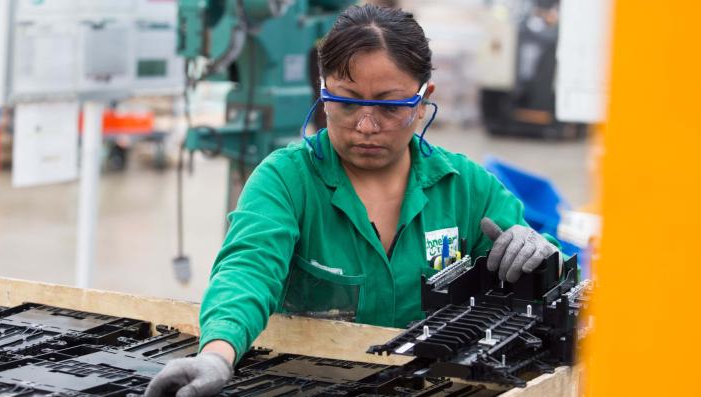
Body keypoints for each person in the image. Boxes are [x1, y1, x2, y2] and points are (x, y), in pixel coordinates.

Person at [145, 4, 559, 396]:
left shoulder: (466, 187)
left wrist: (539, 259)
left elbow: (538, 273)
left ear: (422, 99)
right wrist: (216, 356)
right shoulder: (286, 181)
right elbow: (246, 271)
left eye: (389, 105)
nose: (365, 125)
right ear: (322, 92)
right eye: (345, 102)